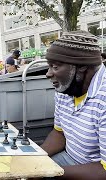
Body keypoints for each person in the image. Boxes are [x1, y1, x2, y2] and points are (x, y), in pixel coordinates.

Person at [41, 31, 106, 179]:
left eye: (55, 67)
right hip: (68, 159)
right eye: (49, 66)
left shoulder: (103, 99)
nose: (48, 74)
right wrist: (35, 159)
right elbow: (59, 133)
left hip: (96, 172)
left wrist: (48, 172)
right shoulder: (65, 87)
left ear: (82, 67)